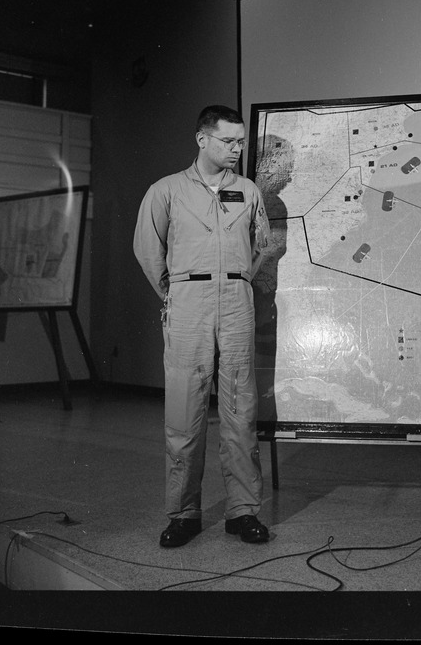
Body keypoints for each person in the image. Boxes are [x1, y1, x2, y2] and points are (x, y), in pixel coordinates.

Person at [133, 105, 271, 548]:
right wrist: (175, 294)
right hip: (189, 305)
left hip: (236, 302)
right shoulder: (166, 191)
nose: (237, 149)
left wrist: (242, 283)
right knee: (184, 415)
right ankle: (183, 513)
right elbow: (147, 249)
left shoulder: (248, 191)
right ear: (202, 139)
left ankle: (243, 511)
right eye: (229, 141)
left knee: (241, 411)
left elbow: (263, 247)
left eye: (241, 141)